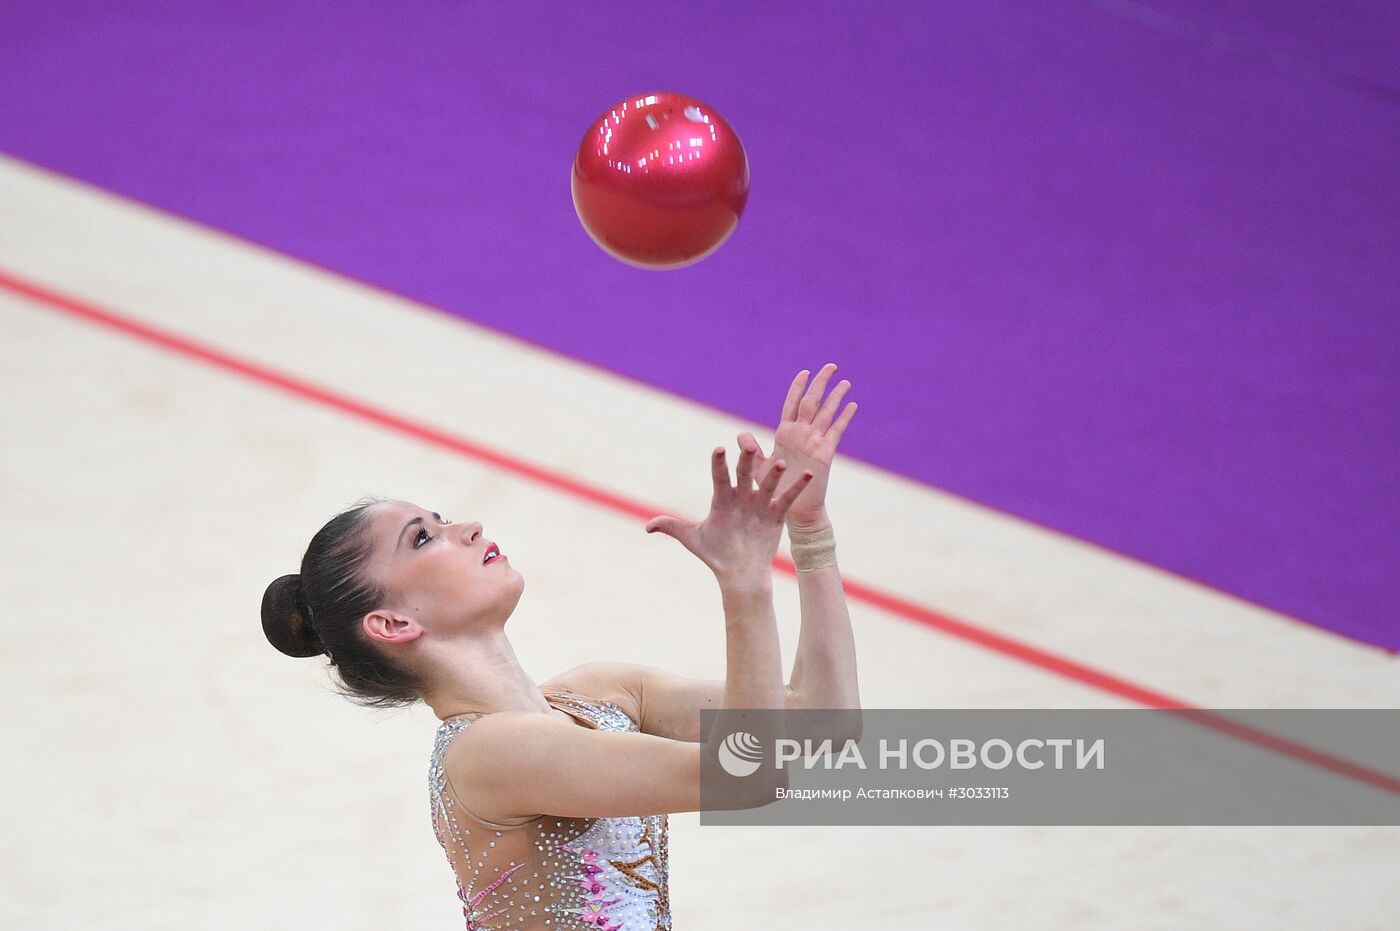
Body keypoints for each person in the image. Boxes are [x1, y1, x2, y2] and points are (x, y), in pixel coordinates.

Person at [260, 364, 861, 930]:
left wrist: (810, 530)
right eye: (423, 538)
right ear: (392, 624)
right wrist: (744, 581)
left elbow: (822, 728)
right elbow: (747, 775)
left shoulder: (601, 693)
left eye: (439, 519)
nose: (465, 527)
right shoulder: (485, 754)